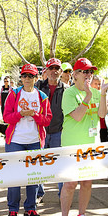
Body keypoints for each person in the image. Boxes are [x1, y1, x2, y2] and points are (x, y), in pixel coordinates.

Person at [58, 58, 108, 216]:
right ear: (76, 75)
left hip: (91, 146)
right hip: (72, 146)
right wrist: (88, 95)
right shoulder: (69, 93)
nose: (88, 75)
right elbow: (78, 116)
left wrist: (102, 93)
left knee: (87, 182)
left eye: (90, 72)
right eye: (85, 71)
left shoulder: (96, 92)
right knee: (70, 183)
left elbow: (102, 115)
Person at [2, 63, 52, 216]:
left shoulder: (42, 97)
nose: (27, 79)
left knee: (33, 177)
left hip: (35, 141)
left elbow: (47, 120)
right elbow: (6, 117)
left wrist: (35, 115)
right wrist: (20, 114)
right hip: (15, 141)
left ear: (36, 78)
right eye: (24, 76)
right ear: (21, 78)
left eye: (31, 76)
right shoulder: (14, 94)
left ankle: (31, 208)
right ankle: (12, 210)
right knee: (14, 177)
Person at [35, 58, 67, 200]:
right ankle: (38, 193)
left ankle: (63, 195)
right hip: (40, 131)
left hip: (58, 132)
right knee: (39, 163)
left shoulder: (66, 89)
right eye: (51, 68)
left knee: (60, 164)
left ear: (60, 71)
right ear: (46, 70)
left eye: (57, 68)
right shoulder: (38, 86)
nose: (54, 71)